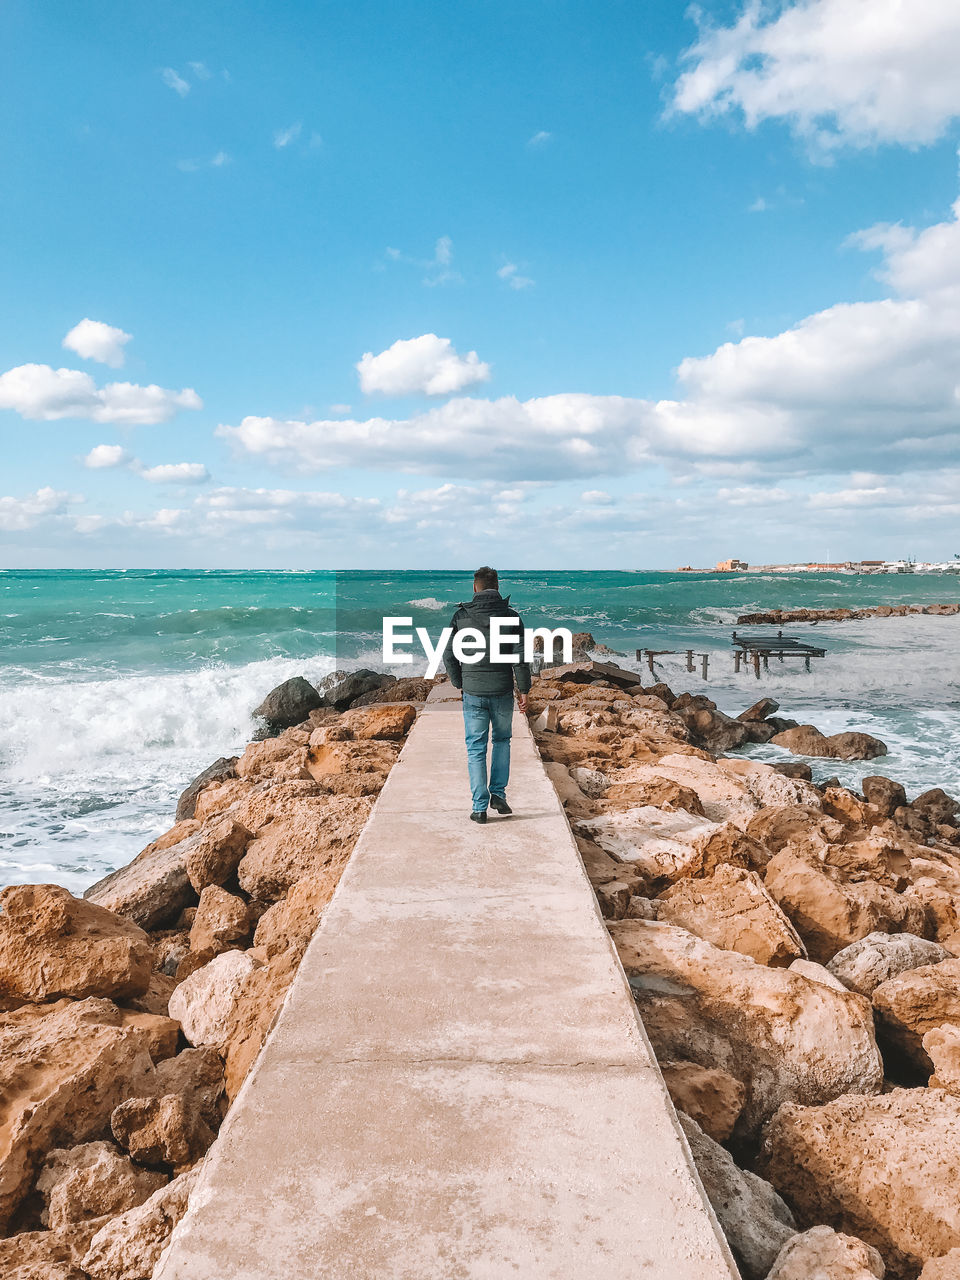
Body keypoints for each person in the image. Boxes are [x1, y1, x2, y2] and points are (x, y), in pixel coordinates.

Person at [441, 567, 531, 824]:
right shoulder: (512, 617)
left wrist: (461, 682)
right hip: (502, 691)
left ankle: (479, 807)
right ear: (498, 587)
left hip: (473, 692)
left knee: (476, 748)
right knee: (502, 741)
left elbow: (448, 655)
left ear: (474, 587)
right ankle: (498, 795)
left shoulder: (460, 616)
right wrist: (524, 690)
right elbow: (521, 659)